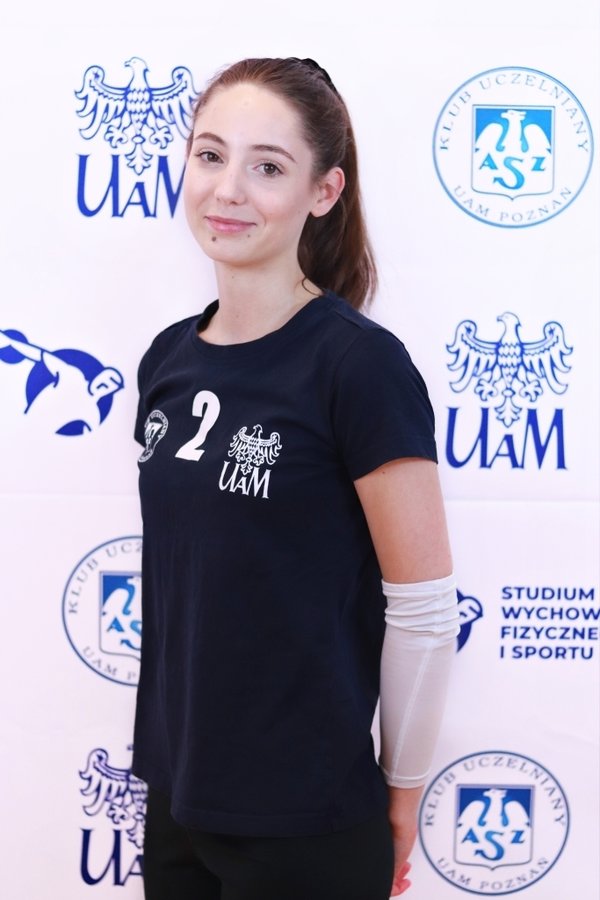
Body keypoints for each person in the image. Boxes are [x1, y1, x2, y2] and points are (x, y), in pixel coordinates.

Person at [133, 57, 459, 900]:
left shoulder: (358, 367)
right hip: (177, 800)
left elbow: (424, 609)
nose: (228, 189)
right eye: (211, 155)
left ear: (323, 192)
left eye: (268, 167)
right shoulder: (167, 359)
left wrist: (403, 794)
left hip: (307, 821)